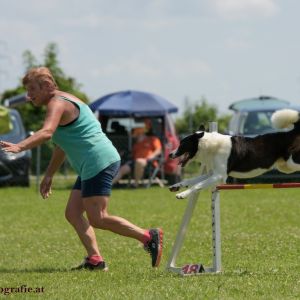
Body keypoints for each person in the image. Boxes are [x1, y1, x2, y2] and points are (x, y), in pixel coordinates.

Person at [0, 67, 163, 270]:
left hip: (98, 161)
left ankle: (148, 237)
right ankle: (95, 260)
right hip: (91, 164)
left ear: (48, 86)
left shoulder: (57, 103)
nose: (29, 95)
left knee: (99, 217)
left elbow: (47, 133)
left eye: (32, 89)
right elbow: (61, 145)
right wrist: (49, 174)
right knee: (73, 212)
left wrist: (20, 146)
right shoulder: (61, 101)